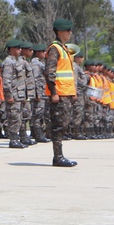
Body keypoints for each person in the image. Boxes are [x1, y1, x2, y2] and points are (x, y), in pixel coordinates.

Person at [44, 20, 77, 167]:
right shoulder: (55, 49)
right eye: (67, 30)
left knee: (63, 124)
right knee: (58, 125)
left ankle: (59, 155)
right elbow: (50, 72)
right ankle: (58, 157)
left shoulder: (64, 49)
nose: (70, 33)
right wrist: (53, 92)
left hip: (66, 93)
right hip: (59, 94)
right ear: (59, 32)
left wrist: (73, 92)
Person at [1, 39, 26, 149]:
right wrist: (9, 95)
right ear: (11, 49)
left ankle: (16, 138)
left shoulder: (15, 61)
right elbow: (6, 81)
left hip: (18, 95)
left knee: (18, 117)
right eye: (17, 48)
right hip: (13, 95)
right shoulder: (8, 62)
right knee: (13, 117)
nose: (20, 50)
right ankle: (13, 140)